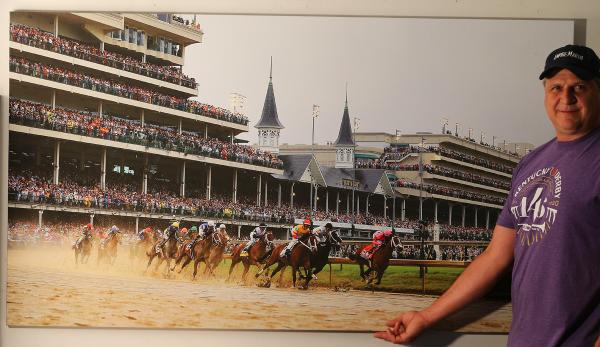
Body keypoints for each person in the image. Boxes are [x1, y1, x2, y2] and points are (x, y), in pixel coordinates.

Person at [375, 44, 600, 346]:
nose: (566, 98)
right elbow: (495, 257)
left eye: (579, 87)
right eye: (556, 87)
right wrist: (428, 316)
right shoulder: (532, 163)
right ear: (546, 93)